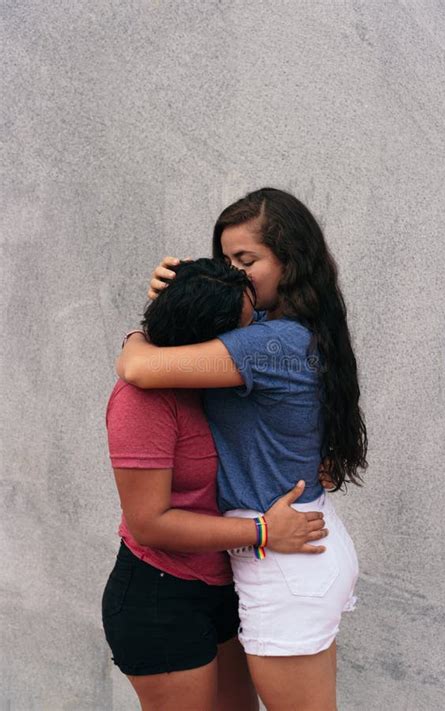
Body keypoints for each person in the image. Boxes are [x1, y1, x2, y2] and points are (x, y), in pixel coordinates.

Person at [118, 187, 368, 711]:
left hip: (284, 559)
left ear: (290, 262)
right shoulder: (295, 331)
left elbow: (140, 369)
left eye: (246, 260)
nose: (234, 272)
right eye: (224, 259)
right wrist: (179, 294)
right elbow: (206, 317)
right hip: (301, 546)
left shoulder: (266, 344)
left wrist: (137, 332)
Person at [102, 258, 330, 711]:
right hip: (160, 599)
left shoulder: (202, 375)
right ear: (209, 334)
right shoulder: (141, 402)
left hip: (222, 584)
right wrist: (263, 532)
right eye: (244, 329)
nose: (253, 335)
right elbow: (149, 523)